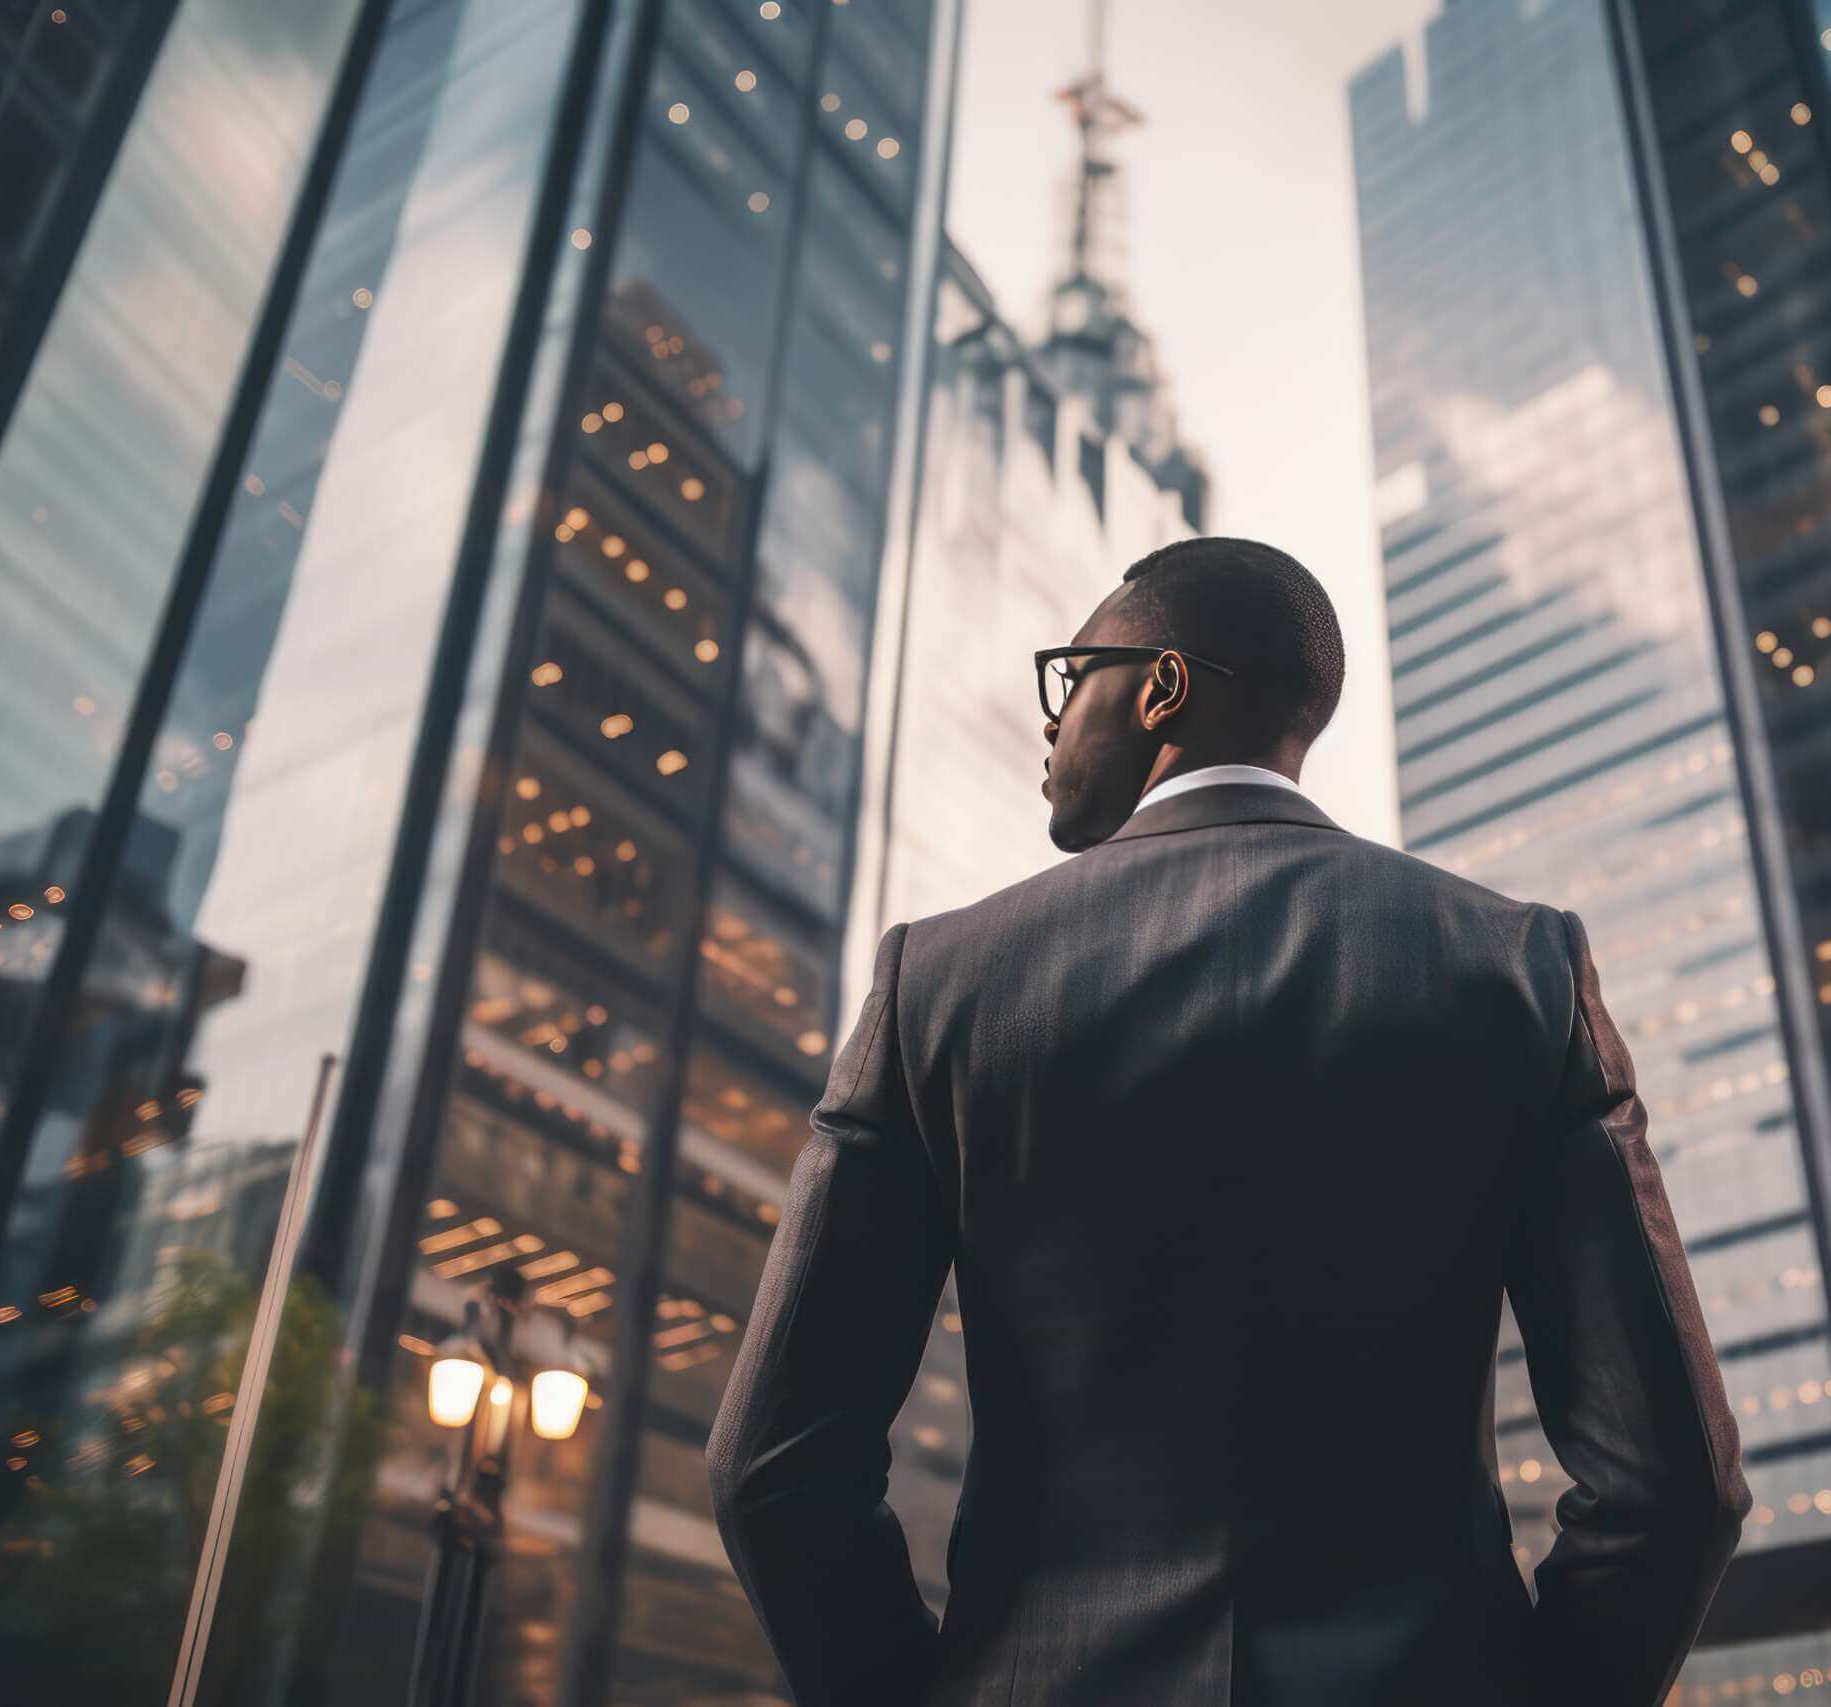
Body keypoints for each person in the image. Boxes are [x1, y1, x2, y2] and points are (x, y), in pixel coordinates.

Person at [705, 537, 1751, 1706]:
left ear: (1162, 687)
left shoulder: (937, 986)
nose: (1049, 725)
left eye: (1073, 676)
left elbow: (776, 1473)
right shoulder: (1513, 966)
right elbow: (1674, 1489)